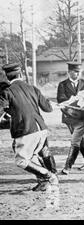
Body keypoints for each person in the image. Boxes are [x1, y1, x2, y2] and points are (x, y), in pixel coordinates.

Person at [0, 63, 58, 191]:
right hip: (42, 129)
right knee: (32, 156)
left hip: (25, 130)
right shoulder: (33, 88)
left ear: (7, 77)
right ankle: (44, 182)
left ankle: (48, 175)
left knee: (21, 160)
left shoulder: (7, 92)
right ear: (20, 74)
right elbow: (48, 108)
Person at [57, 62, 84, 174]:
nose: (77, 74)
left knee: (76, 139)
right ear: (69, 72)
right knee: (78, 138)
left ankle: (68, 167)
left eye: (79, 72)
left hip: (83, 117)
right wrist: (75, 99)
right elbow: (60, 99)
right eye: (75, 72)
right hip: (69, 117)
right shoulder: (62, 84)